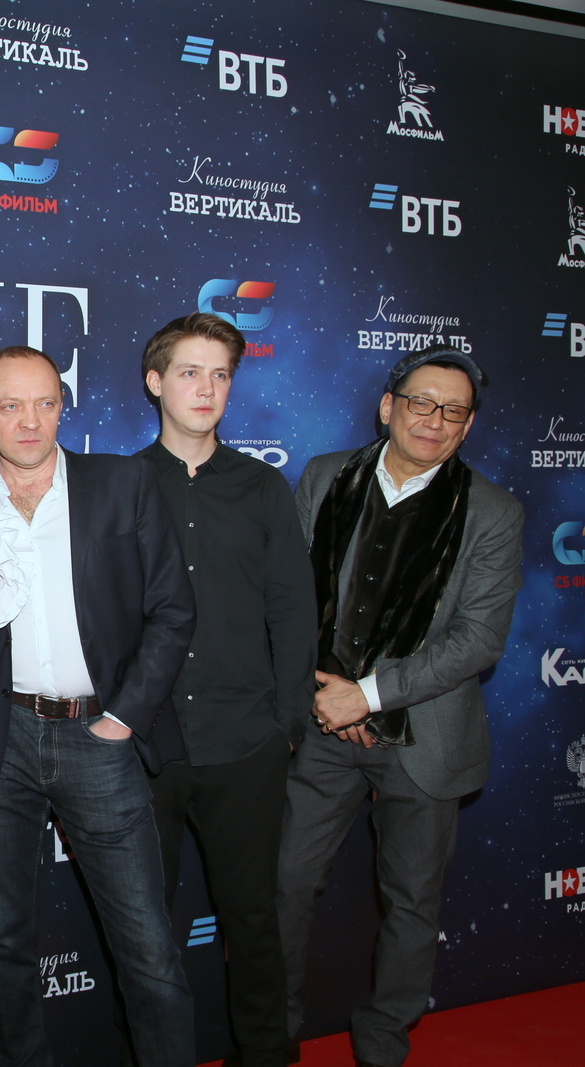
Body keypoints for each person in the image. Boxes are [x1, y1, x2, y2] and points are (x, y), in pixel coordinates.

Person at [277, 347, 523, 1067]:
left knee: (413, 902)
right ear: (389, 406)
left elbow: (478, 639)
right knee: (284, 883)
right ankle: (271, 1035)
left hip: (426, 739)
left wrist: (368, 694)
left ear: (468, 426)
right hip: (321, 726)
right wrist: (326, 693)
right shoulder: (326, 476)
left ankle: (384, 1043)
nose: (434, 420)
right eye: (421, 402)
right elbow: (288, 598)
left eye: (453, 410)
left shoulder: (494, 512)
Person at [0, 345, 197, 1067]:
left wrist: (123, 718)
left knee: (147, 947)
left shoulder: (122, 483)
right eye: (10, 405)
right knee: (2, 939)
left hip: (99, 735)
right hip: (0, 741)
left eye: (45, 403)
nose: (30, 421)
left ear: (64, 405)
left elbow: (173, 610)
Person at [131, 314, 316, 1067]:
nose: (206, 389)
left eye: (220, 375)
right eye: (189, 372)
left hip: (246, 745)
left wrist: (286, 726)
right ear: (156, 382)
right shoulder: (120, 485)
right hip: (148, 748)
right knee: (143, 931)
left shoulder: (263, 487)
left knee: (254, 920)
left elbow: (294, 610)